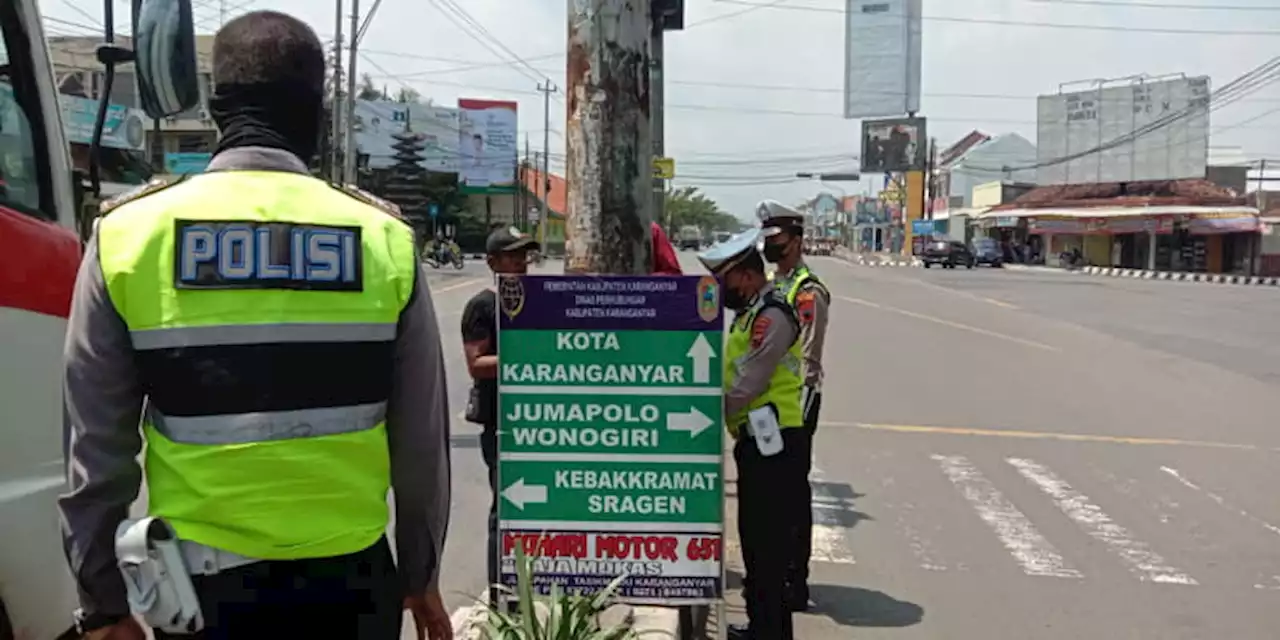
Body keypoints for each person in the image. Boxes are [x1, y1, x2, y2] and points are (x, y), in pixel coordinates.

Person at [57, 11, 452, 640]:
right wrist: (421, 574)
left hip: (201, 599)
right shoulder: (383, 239)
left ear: (216, 110)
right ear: (316, 112)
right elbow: (421, 447)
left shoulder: (128, 236)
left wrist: (103, 605)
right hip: (350, 590)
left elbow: (95, 450)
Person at [697, 230, 807, 640]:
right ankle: (762, 626)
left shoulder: (772, 316)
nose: (721, 290)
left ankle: (772, 633)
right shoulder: (750, 314)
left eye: (725, 279)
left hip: (776, 446)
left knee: (770, 547)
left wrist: (703, 411)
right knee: (757, 545)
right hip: (756, 442)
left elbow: (750, 383)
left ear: (744, 275)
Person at [756, 200, 831, 613]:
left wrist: (796, 422)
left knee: (791, 497)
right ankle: (777, 574)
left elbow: (808, 360)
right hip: (766, 405)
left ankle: (794, 581)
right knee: (771, 497)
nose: (771, 248)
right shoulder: (774, 284)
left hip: (795, 407)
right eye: (767, 240)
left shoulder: (807, 291)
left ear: (797, 241)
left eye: (778, 241)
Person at [461, 226, 541, 608]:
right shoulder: (483, 305)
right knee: (505, 511)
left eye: (524, 255)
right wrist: (527, 358)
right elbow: (477, 364)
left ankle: (530, 588)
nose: (520, 263)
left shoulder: (538, 301)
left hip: (539, 422)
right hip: (501, 424)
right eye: (512, 256)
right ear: (492, 262)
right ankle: (501, 598)